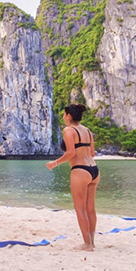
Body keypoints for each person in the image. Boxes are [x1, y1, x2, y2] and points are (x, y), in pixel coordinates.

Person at [46, 104, 99, 252]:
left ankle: (87, 244)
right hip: (94, 169)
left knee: (80, 209)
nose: (63, 117)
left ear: (69, 115)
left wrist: (54, 163)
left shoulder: (69, 130)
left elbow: (71, 153)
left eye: (64, 114)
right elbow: (93, 153)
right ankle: (92, 242)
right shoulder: (87, 130)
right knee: (90, 209)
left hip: (80, 171)